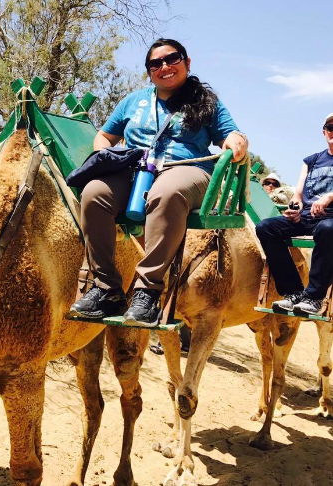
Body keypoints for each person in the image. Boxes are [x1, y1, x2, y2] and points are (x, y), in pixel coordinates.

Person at [69, 38, 248, 326]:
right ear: (149, 72)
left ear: (187, 63)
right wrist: (105, 154)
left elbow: (230, 135)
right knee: (94, 193)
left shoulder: (206, 102)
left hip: (187, 169)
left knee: (167, 192)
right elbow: (105, 135)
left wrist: (236, 141)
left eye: (172, 59)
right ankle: (106, 289)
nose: (164, 66)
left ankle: (147, 292)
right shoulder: (133, 100)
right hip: (137, 170)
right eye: (155, 63)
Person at [256, 114, 333, 315]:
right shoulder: (312, 160)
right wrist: (295, 209)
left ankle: (315, 297)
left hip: (330, 219)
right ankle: (294, 292)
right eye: (330, 127)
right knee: (266, 227)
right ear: (324, 132)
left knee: (328, 228)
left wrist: (328, 197)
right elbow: (298, 195)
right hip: (307, 217)